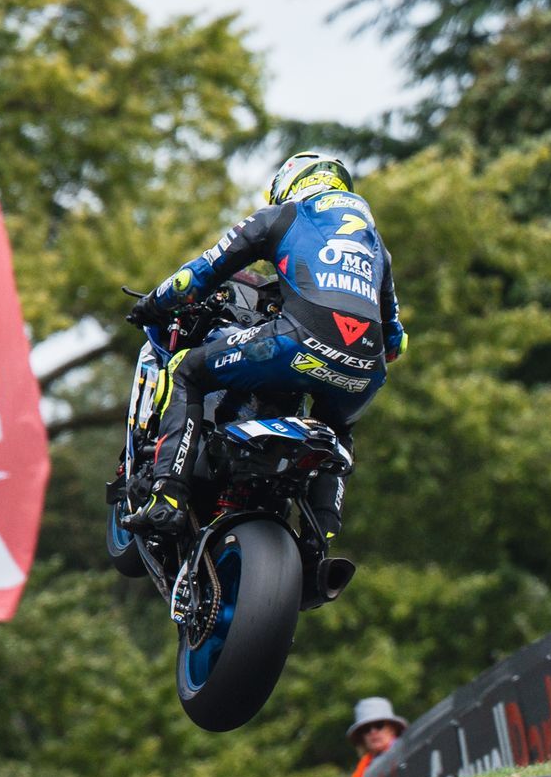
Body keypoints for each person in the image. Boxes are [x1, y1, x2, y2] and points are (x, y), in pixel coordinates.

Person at [122, 152, 406, 542]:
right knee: (337, 430)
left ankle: (167, 498)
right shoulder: (374, 245)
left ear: (290, 184)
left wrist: (153, 303)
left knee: (187, 369)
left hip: (296, 343)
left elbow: (197, 277)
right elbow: (395, 341)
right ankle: (318, 540)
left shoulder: (284, 215)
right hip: (365, 370)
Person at [337, 696, 408, 777]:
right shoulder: (365, 765)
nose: (373, 732)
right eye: (366, 729)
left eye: (379, 725)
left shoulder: (405, 752)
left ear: (392, 728)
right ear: (362, 737)